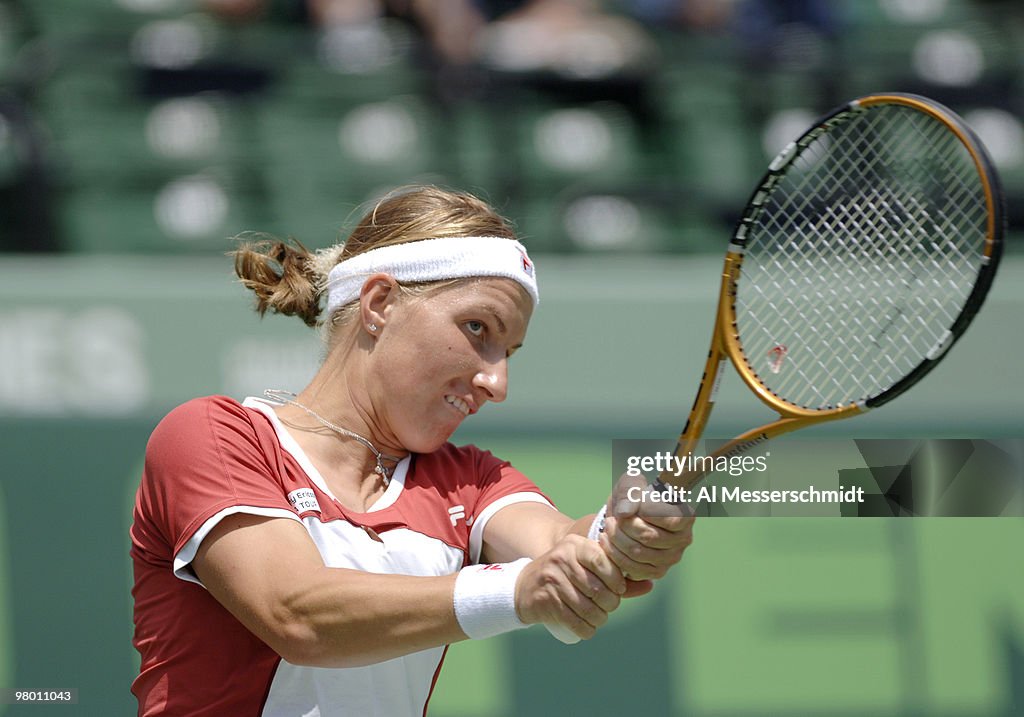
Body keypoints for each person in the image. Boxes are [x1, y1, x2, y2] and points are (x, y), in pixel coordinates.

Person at [129, 185, 694, 716]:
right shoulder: (214, 435)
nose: (497, 383)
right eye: (478, 328)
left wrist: (623, 536)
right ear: (380, 303)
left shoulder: (471, 478)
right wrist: (520, 589)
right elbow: (297, 614)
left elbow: (558, 541)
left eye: (509, 352)